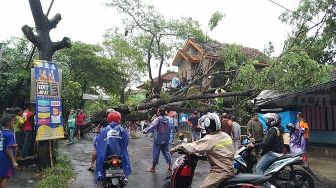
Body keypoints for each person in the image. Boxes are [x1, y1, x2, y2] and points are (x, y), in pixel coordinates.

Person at [171, 113, 235, 188]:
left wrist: (176, 148)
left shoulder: (210, 138)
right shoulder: (225, 135)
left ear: (207, 125)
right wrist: (205, 155)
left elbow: (193, 146)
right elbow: (220, 151)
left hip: (220, 171)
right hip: (228, 167)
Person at [95, 111, 131, 180]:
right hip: (119, 154)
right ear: (119, 119)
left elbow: (99, 141)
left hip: (107, 153)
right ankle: (123, 175)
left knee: (100, 160)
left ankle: (101, 174)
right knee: (124, 160)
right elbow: (126, 141)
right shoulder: (122, 129)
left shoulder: (104, 130)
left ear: (108, 119)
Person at [143, 108, 172, 172]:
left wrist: (145, 131)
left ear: (159, 112)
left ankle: (153, 168)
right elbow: (170, 129)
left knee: (156, 153)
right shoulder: (168, 119)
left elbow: (152, 126)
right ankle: (170, 166)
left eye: (157, 111)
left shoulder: (158, 119)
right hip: (166, 138)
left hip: (158, 138)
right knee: (166, 151)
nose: (157, 112)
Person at [0, 115, 18, 188]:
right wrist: (13, 161)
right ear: (10, 123)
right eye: (13, 122)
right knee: (5, 177)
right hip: (5, 159)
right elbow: (8, 149)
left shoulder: (1, 132)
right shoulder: (9, 134)